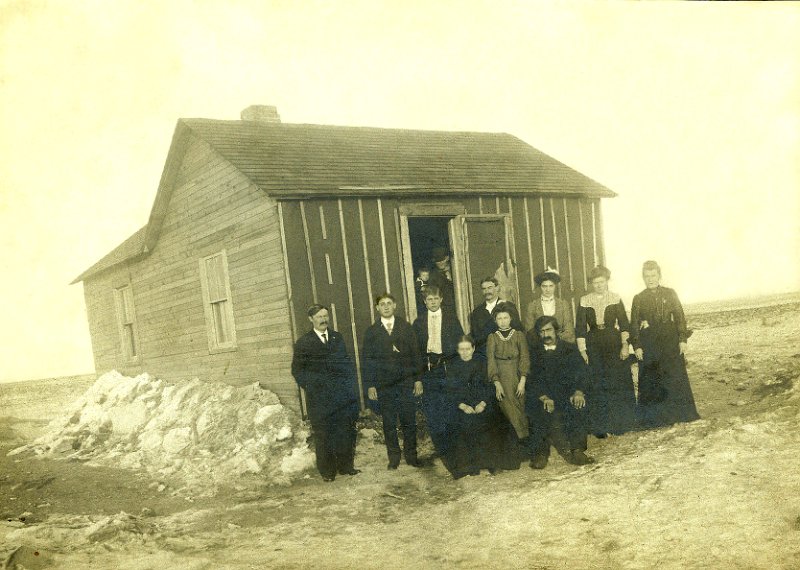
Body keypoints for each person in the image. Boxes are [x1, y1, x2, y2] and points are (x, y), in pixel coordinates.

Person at [291, 304, 361, 482]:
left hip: (340, 397)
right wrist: (313, 386)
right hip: (319, 399)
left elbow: (346, 365)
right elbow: (298, 371)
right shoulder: (304, 342)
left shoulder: (337, 338)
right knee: (324, 435)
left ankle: (346, 467)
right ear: (311, 319)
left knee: (344, 431)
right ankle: (328, 472)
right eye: (319, 316)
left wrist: (348, 388)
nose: (324, 320)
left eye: (325, 316)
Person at [630, 260, 700, 428]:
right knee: (652, 378)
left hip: (670, 339)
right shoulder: (639, 298)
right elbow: (634, 323)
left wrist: (682, 339)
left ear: (659, 275)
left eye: (653, 275)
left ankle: (680, 414)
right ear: (643, 278)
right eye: (647, 276)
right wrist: (637, 345)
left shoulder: (670, 293)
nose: (650, 279)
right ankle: (655, 419)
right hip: (650, 341)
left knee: (674, 376)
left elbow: (680, 317)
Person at [361, 293, 424, 469]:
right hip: (384, 385)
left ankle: (411, 456)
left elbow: (416, 356)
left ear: (395, 305)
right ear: (377, 308)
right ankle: (394, 458)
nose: (386, 307)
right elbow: (367, 361)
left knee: (408, 421)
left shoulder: (406, 327)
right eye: (382, 304)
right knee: (389, 423)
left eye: (389, 303)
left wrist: (418, 380)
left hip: (405, 383)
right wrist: (371, 385)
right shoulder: (372, 332)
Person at [575, 266, 637, 436]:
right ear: (591, 284)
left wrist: (625, 345)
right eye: (595, 283)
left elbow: (624, 324)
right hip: (593, 343)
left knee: (616, 381)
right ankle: (600, 426)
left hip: (613, 342)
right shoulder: (584, 300)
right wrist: (583, 350)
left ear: (607, 281)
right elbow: (580, 327)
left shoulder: (615, 298)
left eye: (602, 282)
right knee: (597, 382)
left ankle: (621, 423)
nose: (599, 285)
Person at [527, 316, 595, 468]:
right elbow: (532, 379)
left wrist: (578, 392)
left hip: (567, 394)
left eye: (549, 330)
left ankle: (577, 450)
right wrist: (544, 398)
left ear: (556, 330)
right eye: (542, 331)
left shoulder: (569, 348)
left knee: (579, 404)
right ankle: (541, 454)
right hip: (546, 396)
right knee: (535, 408)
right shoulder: (534, 353)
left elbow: (582, 372)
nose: (546, 335)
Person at [412, 286, 464, 461]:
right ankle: (441, 449)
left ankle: (454, 448)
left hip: (447, 367)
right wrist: (418, 379)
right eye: (429, 299)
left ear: (441, 299)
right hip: (428, 369)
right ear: (424, 302)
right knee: (433, 410)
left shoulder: (451, 319)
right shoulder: (418, 322)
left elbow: (461, 344)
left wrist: (459, 370)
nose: (433, 302)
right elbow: (415, 353)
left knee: (450, 406)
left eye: (435, 298)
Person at [444, 335, 496, 479]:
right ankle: (470, 466)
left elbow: (489, 386)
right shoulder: (453, 366)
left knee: (487, 422)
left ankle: (486, 463)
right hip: (462, 405)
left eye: (468, 349)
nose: (465, 352)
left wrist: (483, 403)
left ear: (473, 349)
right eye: (462, 349)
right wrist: (462, 406)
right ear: (458, 350)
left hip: (481, 403)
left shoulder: (481, 362)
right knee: (463, 424)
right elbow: (450, 390)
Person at [487, 308, 530, 468]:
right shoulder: (492, 338)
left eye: (506, 317)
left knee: (521, 409)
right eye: (499, 318)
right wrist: (496, 383)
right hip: (502, 378)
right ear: (495, 320)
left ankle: (526, 449)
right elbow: (491, 362)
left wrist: (523, 380)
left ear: (511, 319)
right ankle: (514, 451)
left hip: (517, 376)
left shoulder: (519, 335)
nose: (503, 321)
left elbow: (525, 358)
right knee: (508, 410)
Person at [470, 276, 524, 361]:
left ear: (497, 288)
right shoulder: (477, 312)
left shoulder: (509, 306)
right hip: (487, 356)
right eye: (484, 289)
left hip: (508, 355)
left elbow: (518, 329)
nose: (487, 291)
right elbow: (476, 338)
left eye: (489, 288)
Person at [525, 267, 576, 344]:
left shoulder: (563, 304)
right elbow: (530, 331)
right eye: (544, 286)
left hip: (561, 345)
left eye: (551, 286)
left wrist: (555, 340)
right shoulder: (532, 306)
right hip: (540, 346)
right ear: (540, 287)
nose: (548, 289)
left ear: (555, 286)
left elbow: (569, 330)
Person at [428, 247, 456, 312]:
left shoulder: (455, 270)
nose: (440, 263)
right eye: (437, 261)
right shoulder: (433, 276)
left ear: (447, 258)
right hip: (444, 308)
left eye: (442, 260)